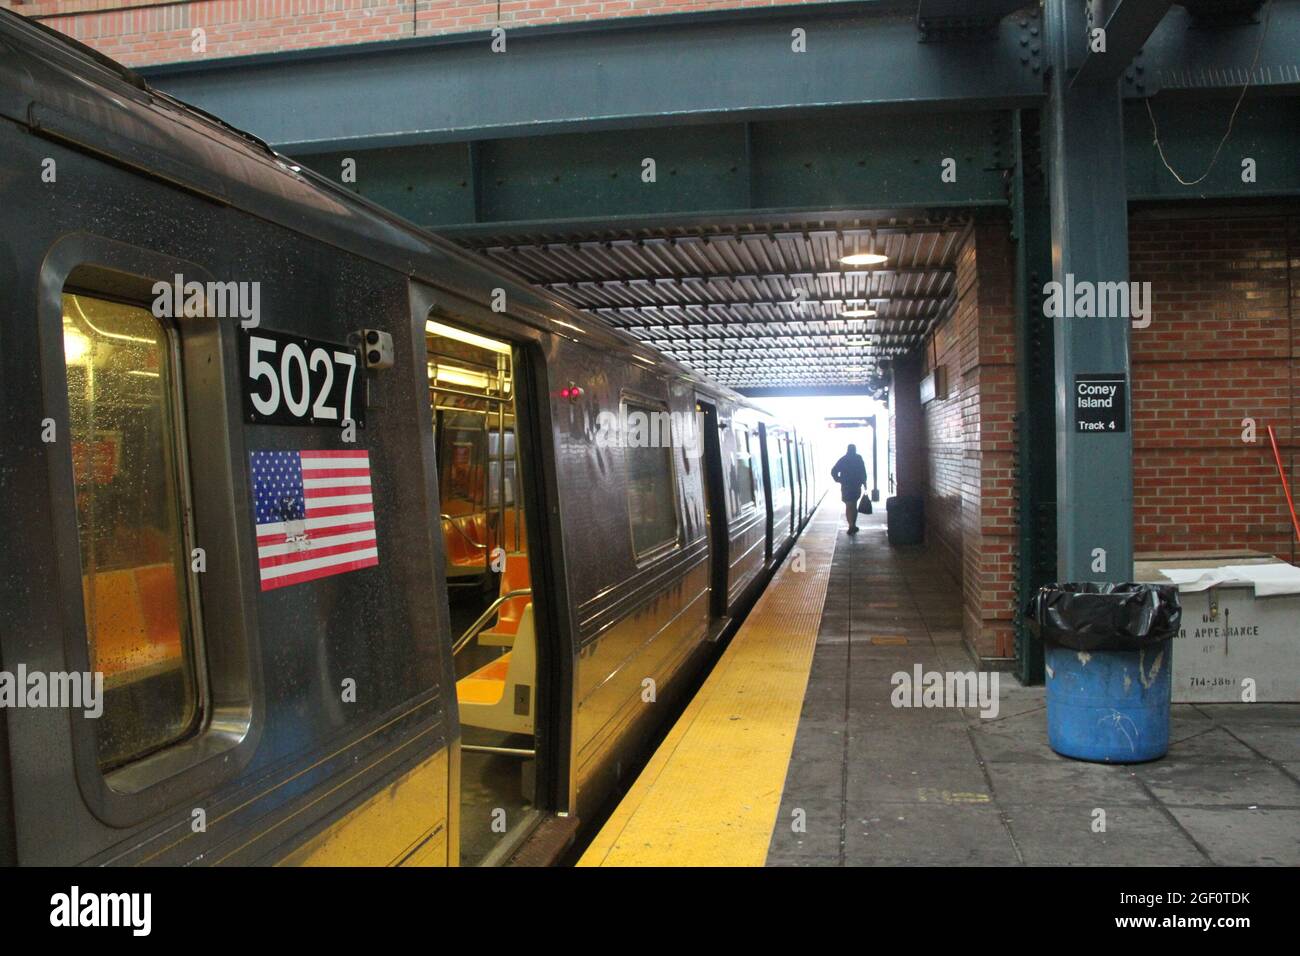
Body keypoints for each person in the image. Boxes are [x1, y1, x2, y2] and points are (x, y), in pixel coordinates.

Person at [831, 444, 868, 534]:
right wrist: (864, 483)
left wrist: (839, 480)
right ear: (855, 450)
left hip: (846, 486)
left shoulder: (843, 459)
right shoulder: (858, 458)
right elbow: (863, 471)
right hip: (856, 485)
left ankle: (851, 525)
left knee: (848, 505)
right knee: (854, 505)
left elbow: (833, 471)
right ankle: (853, 525)